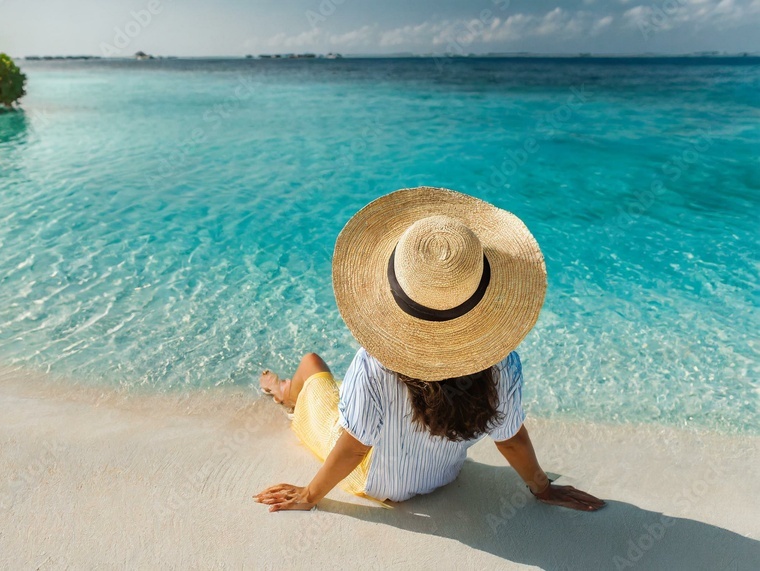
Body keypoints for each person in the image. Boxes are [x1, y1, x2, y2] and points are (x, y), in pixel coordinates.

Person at [254, 186, 605, 512]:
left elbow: (353, 447)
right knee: (353, 395)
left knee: (312, 363)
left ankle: (285, 393)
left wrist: (309, 495)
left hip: (373, 482)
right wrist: (543, 489)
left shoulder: (375, 363)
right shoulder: (503, 363)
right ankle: (300, 395)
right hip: (442, 478)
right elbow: (510, 440)